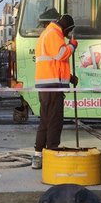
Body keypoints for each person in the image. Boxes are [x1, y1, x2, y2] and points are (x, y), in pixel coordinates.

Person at [32, 13, 78, 170]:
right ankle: (52, 154)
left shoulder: (49, 33)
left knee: (45, 121)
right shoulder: (54, 33)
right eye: (68, 32)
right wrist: (72, 45)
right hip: (52, 86)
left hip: (48, 85)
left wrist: (70, 77)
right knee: (54, 122)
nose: (67, 36)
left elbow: (54, 63)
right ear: (66, 28)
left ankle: (38, 156)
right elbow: (60, 54)